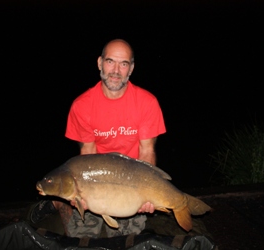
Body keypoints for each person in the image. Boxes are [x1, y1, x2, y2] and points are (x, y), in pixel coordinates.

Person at [30, 39, 166, 238]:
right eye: (110, 62)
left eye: (124, 64)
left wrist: (147, 193)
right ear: (100, 63)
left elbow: (147, 152)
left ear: (131, 69)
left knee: (128, 237)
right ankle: (59, 201)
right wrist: (81, 196)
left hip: (132, 178)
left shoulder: (147, 103)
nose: (116, 70)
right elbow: (87, 154)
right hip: (96, 180)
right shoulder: (82, 105)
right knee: (82, 234)